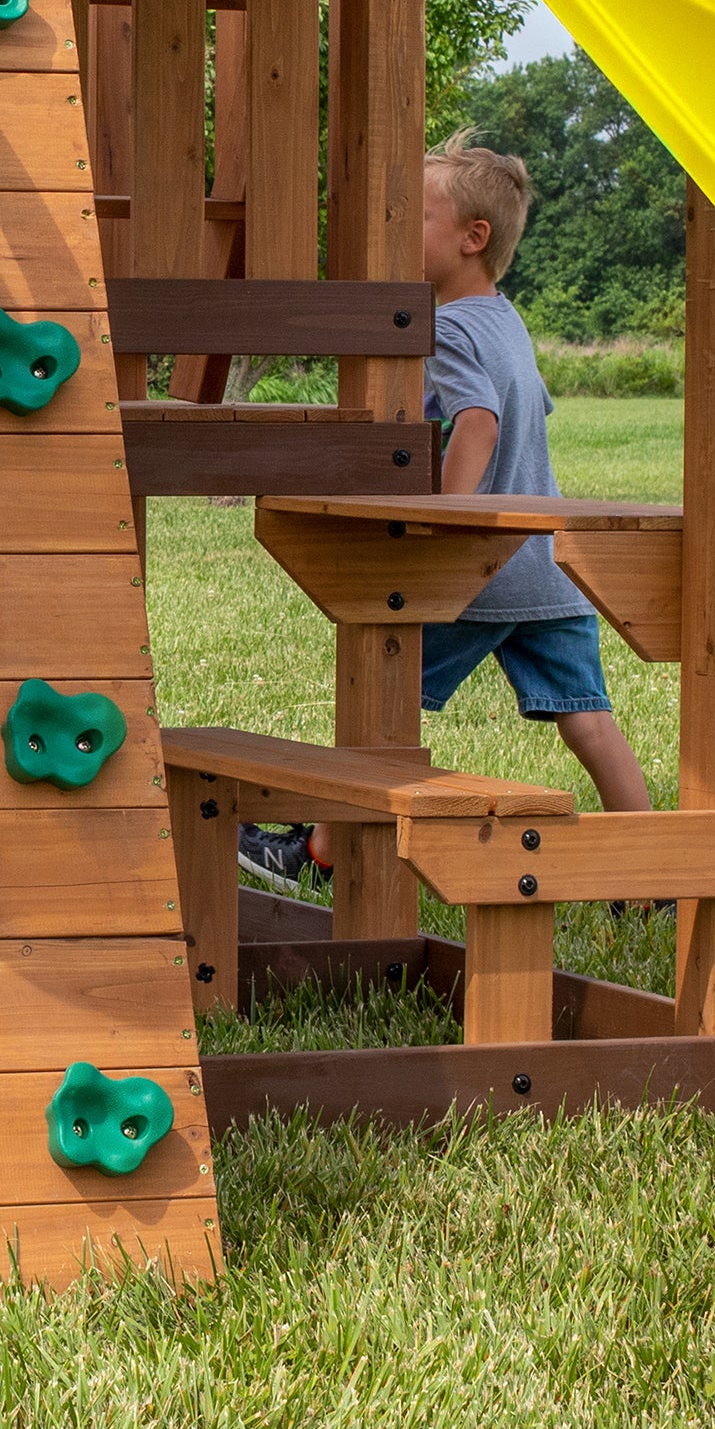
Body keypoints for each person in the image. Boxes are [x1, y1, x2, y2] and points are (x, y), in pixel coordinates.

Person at [240, 134, 655, 892]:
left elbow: (480, 421)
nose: (399, 233)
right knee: (588, 718)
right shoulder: (505, 319)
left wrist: (443, 520)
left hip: (477, 572)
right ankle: (655, 872)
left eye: (416, 218)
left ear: (473, 239)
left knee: (379, 703)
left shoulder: (449, 327)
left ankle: (316, 855)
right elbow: (527, 413)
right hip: (547, 566)